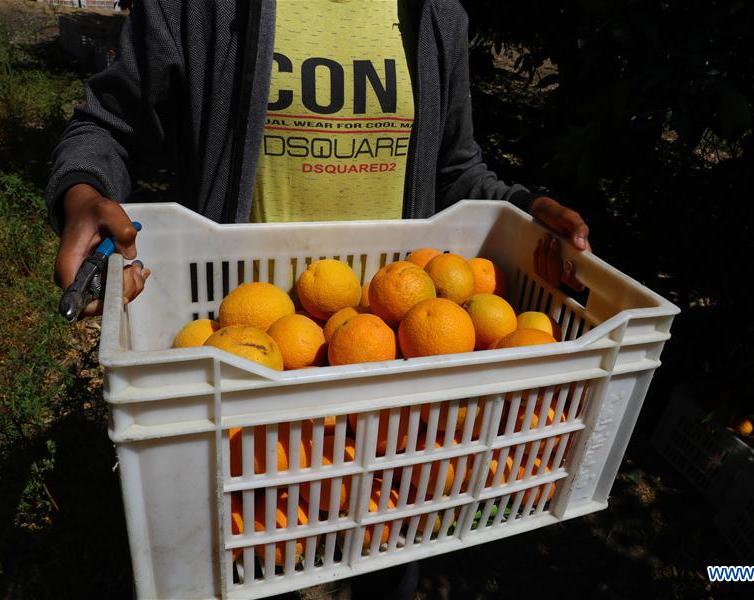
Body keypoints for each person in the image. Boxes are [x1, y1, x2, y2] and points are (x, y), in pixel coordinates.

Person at [46, 0, 591, 596]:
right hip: (245, 356)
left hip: (388, 359)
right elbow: (108, 122)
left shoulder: (437, 12)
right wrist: (84, 194)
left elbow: (456, 167)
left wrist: (520, 203)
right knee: (245, 545)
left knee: (388, 541)